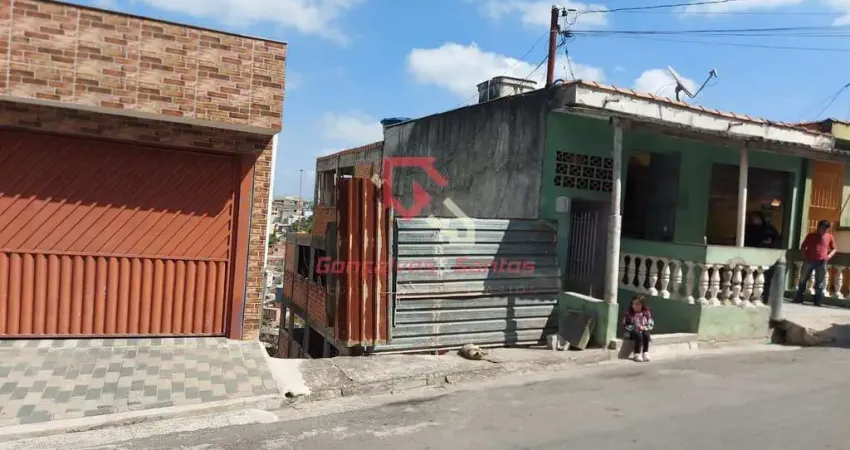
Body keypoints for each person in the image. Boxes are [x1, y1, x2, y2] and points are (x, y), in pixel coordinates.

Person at [793, 220, 837, 307]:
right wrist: (804, 257)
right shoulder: (811, 236)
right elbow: (803, 246)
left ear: (828, 229)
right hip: (809, 261)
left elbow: (834, 249)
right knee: (802, 279)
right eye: (820, 227)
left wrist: (828, 256)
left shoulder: (829, 237)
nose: (821, 230)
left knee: (819, 283)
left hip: (821, 262)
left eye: (824, 228)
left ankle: (817, 301)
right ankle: (799, 298)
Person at [623, 295, 654, 362]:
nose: (635, 306)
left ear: (642, 305)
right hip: (631, 332)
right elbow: (625, 325)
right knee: (638, 335)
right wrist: (635, 327)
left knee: (646, 334)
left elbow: (651, 323)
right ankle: (637, 354)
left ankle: (645, 352)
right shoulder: (629, 314)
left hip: (642, 330)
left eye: (637, 304)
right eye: (633, 304)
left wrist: (645, 327)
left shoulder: (646, 313)